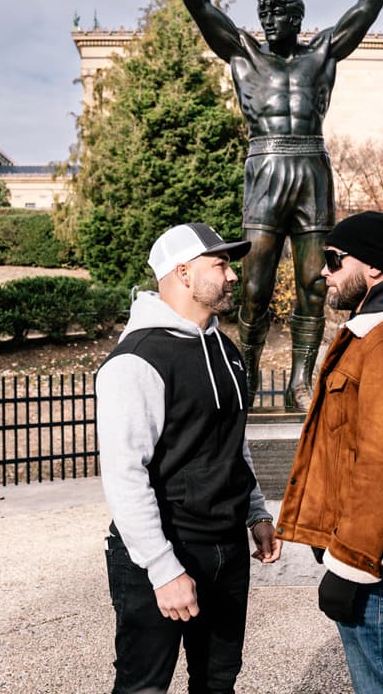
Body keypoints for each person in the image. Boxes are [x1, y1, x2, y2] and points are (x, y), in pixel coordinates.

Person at [160, 0, 383, 410]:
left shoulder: (321, 54)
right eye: (263, 12)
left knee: (314, 283)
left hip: (311, 168)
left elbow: (364, 9)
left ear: (296, 17)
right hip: (266, 167)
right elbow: (200, 7)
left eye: (277, 11)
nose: (268, 19)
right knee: (253, 285)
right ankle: (249, 372)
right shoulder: (243, 54)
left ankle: (301, 380)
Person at [96, 222, 282, 694]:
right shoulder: (136, 359)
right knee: (144, 687)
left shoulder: (225, 347)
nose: (233, 276)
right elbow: (124, 476)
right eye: (220, 265)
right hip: (164, 552)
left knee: (218, 681)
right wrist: (163, 569)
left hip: (227, 548)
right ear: (182, 272)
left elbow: (230, 441)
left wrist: (255, 511)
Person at [275, 211, 383, 694]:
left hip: (382, 556)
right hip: (371, 546)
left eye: (333, 260)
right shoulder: (372, 333)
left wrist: (351, 563)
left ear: (372, 267)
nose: (324, 273)